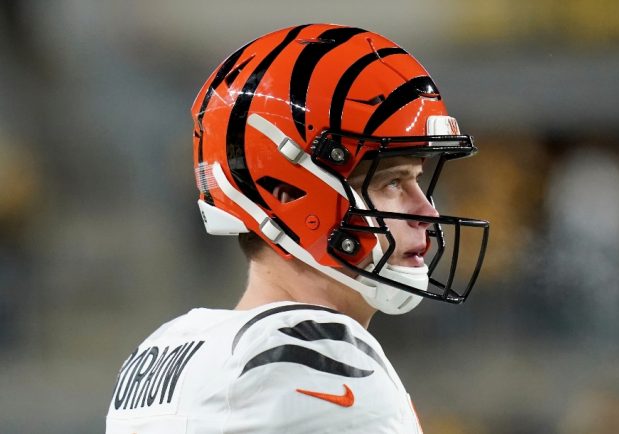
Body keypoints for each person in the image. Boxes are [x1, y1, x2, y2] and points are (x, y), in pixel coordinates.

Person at [106, 23, 489, 433]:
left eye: (418, 179)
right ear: (287, 193)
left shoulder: (165, 349)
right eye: (391, 182)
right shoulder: (315, 357)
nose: (426, 212)